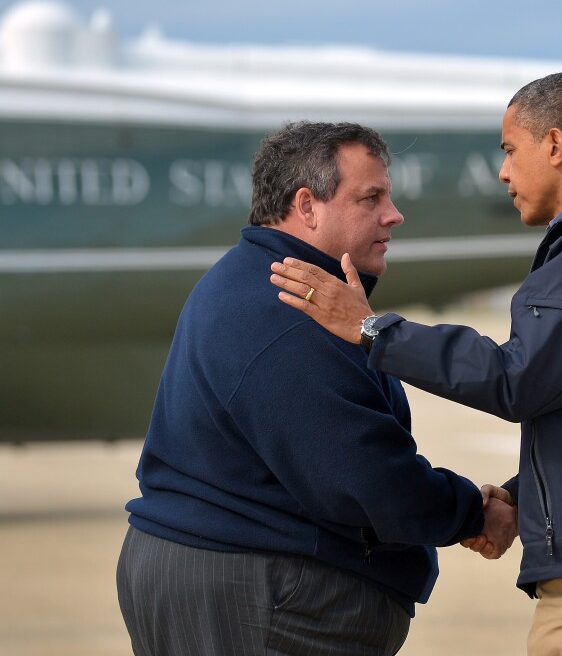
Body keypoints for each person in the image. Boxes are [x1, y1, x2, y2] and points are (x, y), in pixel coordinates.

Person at [269, 72, 562, 655]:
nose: (504, 172)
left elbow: (519, 379)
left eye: (510, 150)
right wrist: (521, 498)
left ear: (555, 146)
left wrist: (370, 328)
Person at [116, 121, 517, 656]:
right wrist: (473, 511)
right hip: (252, 592)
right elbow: (364, 475)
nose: (393, 215)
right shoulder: (286, 310)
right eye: (370, 198)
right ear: (306, 206)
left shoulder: (263, 283)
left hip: (232, 576)